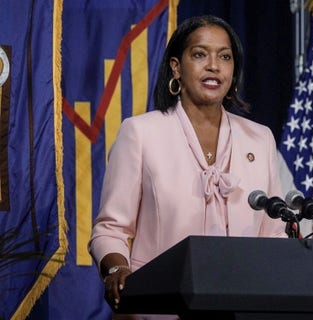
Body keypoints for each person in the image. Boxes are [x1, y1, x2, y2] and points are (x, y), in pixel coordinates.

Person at [89, 15, 287, 313]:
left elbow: (273, 235)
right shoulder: (141, 133)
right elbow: (110, 229)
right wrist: (117, 270)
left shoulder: (260, 139)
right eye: (199, 54)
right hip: (158, 307)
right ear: (176, 67)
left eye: (225, 56)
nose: (213, 65)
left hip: (243, 306)